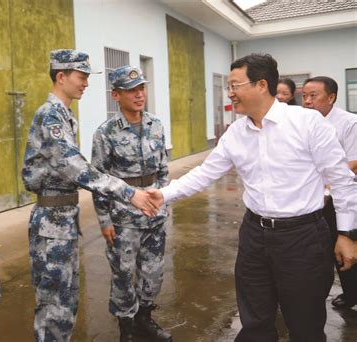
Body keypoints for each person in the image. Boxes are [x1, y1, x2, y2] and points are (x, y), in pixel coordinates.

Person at [147, 53, 357, 341]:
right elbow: (205, 173)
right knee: (255, 321)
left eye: (235, 85)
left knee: (304, 323)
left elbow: (342, 181)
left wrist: (346, 233)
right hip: (254, 237)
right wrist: (163, 194)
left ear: (261, 85)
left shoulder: (307, 123)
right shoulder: (236, 133)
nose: (230, 94)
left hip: (303, 238)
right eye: (228, 87)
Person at [22, 50, 157, 342]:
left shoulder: (64, 114)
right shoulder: (50, 116)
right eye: (81, 77)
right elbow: (76, 167)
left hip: (63, 219)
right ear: (61, 76)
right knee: (54, 308)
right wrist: (127, 191)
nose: (85, 83)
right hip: (51, 222)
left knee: (65, 303)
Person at [91, 66, 171, 342]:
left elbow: (163, 168)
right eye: (131, 90)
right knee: (124, 274)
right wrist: (104, 221)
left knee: (153, 272)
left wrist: (163, 199)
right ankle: (126, 328)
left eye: (141, 88)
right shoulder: (106, 133)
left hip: (154, 212)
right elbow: (98, 179)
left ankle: (144, 320)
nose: (139, 95)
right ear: (116, 95)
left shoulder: (155, 124)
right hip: (123, 218)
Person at [302, 76, 357, 309]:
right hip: (315, 197)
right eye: (303, 96)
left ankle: (353, 294)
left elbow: (354, 161)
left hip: (341, 195)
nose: (306, 101)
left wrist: (325, 182)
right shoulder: (304, 122)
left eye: (313, 96)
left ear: (331, 97)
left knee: (345, 245)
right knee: (321, 249)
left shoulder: (349, 123)